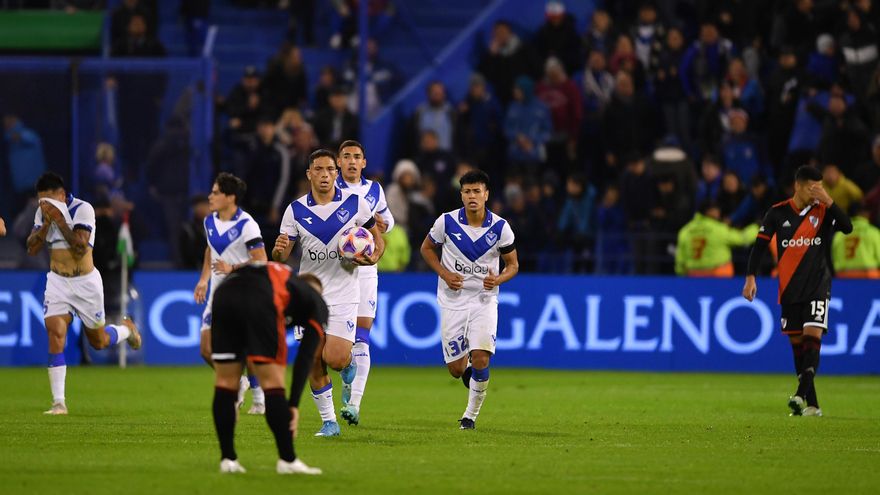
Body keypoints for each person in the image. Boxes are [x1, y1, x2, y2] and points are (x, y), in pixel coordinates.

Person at [272, 149, 385, 437]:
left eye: (330, 170)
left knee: (335, 358)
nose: (325, 175)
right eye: (318, 170)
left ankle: (348, 366)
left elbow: (377, 236)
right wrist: (279, 250)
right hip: (308, 294)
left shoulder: (355, 203)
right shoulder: (295, 210)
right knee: (312, 358)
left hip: (345, 292)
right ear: (309, 173)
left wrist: (373, 257)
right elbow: (281, 255)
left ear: (336, 173)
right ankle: (329, 422)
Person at [26, 172, 142, 415]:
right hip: (57, 281)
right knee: (56, 332)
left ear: (60, 195)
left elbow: (80, 248)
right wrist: (46, 224)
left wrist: (59, 220)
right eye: (40, 201)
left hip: (85, 283)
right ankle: (59, 403)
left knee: (98, 342)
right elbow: (32, 249)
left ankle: (126, 330)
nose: (43, 205)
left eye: (47, 200)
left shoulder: (83, 210)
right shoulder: (43, 213)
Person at [742, 166, 853, 417]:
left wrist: (830, 201)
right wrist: (750, 277)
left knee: (812, 341)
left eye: (820, 187)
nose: (818, 192)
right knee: (798, 348)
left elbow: (847, 227)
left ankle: (801, 395)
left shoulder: (823, 211)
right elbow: (759, 248)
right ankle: (813, 405)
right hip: (790, 288)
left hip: (817, 286)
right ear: (798, 186)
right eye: (813, 187)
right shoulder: (777, 213)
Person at [419, 170, 519, 430]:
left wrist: (497, 280)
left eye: (477, 191)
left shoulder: (500, 227)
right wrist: (444, 273)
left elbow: (513, 265)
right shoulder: (447, 222)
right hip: (452, 299)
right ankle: (467, 372)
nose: (472, 196)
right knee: (455, 369)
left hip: (484, 300)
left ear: (486, 195)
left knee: (481, 357)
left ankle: (469, 416)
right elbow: (426, 249)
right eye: (467, 191)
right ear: (461, 195)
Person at [210, 263, 325, 475]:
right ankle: (287, 460)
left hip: (224, 292)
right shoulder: (316, 301)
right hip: (261, 296)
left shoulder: (284, 277)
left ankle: (228, 459)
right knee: (273, 383)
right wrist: (293, 406)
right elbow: (306, 357)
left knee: (225, 382)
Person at [194, 173, 268, 415]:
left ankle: (258, 398)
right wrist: (203, 280)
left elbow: (261, 260)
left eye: (215, 192)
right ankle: (238, 382)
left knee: (246, 351)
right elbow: (210, 249)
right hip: (217, 294)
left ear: (230, 197)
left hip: (244, 293)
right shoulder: (209, 222)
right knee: (206, 349)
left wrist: (232, 268)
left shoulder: (247, 224)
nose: (210, 196)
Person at [334, 140, 395, 426]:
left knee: (362, 334)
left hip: (367, 266)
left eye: (356, 156)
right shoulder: (329, 189)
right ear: (338, 162)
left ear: (364, 162)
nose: (351, 161)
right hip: (335, 269)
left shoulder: (375, 190)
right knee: (332, 342)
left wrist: (383, 225)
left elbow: (388, 220)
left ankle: (355, 404)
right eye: (346, 156)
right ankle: (346, 369)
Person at [675, 201, 757, 277]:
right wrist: (757, 228)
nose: (718, 212)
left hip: (692, 277)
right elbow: (742, 239)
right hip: (718, 277)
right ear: (709, 211)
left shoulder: (685, 231)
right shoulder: (718, 229)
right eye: (716, 210)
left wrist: (683, 277)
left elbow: (680, 262)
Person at [832, 202, 880, 278]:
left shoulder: (839, 234)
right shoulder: (873, 232)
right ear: (864, 213)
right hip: (868, 275)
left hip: (843, 276)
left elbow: (834, 258)